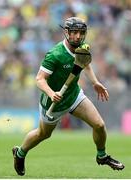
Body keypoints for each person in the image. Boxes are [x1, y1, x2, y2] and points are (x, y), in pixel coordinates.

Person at [12, 17, 125, 176]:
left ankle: (102, 156)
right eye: (74, 32)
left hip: (73, 95)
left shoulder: (82, 48)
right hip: (53, 102)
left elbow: (84, 63)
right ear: (66, 33)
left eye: (81, 32)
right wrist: (51, 93)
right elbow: (39, 79)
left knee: (99, 125)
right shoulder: (55, 54)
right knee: (43, 134)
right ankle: (20, 153)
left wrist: (95, 82)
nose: (78, 36)